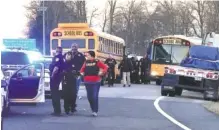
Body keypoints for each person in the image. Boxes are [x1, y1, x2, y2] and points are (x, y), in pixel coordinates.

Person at [80, 51, 108, 117]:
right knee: (89, 97)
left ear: (92, 56)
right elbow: (82, 70)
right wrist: (82, 73)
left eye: (88, 55)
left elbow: (105, 67)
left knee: (95, 96)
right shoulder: (86, 62)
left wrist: (102, 72)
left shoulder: (97, 61)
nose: (87, 56)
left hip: (96, 82)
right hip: (87, 82)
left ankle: (95, 111)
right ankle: (93, 109)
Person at [49, 47, 64, 116]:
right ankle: (57, 110)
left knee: (54, 94)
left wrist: (52, 75)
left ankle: (57, 111)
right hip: (57, 77)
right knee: (55, 94)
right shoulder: (61, 57)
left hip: (55, 77)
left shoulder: (58, 57)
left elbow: (56, 68)